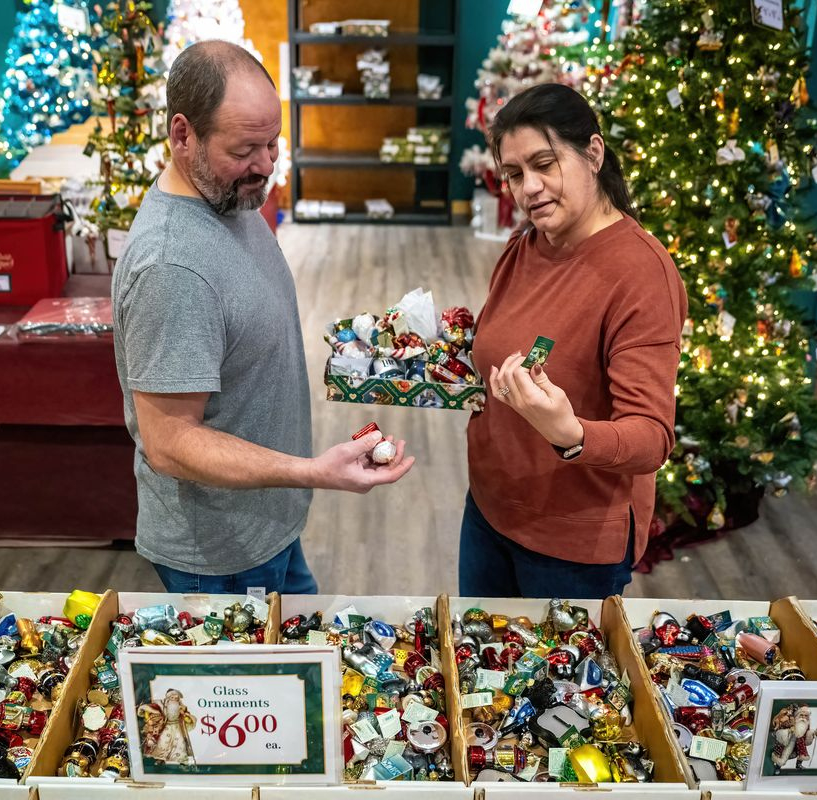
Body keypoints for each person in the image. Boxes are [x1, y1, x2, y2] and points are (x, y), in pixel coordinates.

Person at [111, 41, 414, 595]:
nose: (267, 165)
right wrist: (312, 471)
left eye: (273, 143)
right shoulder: (172, 267)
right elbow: (170, 442)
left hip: (267, 524)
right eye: (246, 149)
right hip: (219, 558)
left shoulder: (228, 197)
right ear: (183, 135)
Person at [462, 83, 688, 598]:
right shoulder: (525, 245)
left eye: (545, 164)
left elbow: (651, 437)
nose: (529, 188)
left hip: (571, 545)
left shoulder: (641, 275)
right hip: (488, 512)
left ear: (593, 153)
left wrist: (571, 433)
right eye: (514, 174)